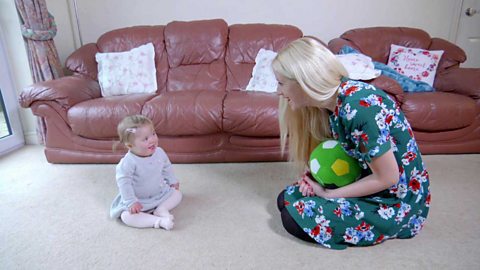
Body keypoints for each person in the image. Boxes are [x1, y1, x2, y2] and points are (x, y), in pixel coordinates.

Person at [273, 37, 431, 249]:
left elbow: (388, 177)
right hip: (368, 178)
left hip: (395, 200)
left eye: (281, 83)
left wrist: (328, 194)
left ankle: (387, 223)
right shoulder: (333, 103)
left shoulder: (358, 107)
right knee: (286, 199)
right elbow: (346, 154)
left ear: (304, 81)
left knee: (292, 218)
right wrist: (315, 179)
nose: (278, 91)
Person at [110, 115, 182, 230]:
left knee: (177, 194)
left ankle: (162, 209)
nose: (153, 139)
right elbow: (124, 184)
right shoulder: (128, 163)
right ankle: (158, 221)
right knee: (126, 216)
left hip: (160, 193)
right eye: (145, 139)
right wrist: (131, 202)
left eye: (153, 134)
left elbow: (166, 167)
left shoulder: (159, 152)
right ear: (130, 145)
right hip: (139, 200)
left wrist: (172, 181)